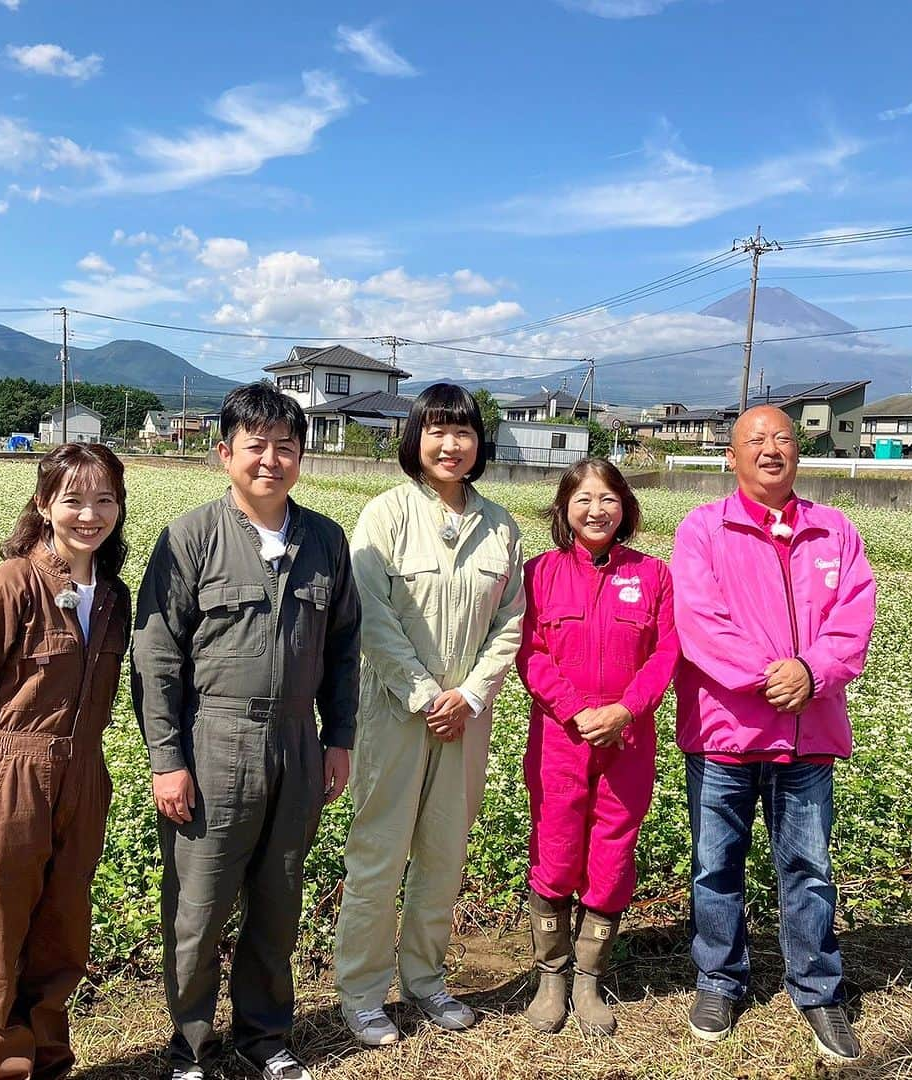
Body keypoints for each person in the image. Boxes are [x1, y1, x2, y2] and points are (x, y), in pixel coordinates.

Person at [131, 382, 361, 1080]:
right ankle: (190, 1047)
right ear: (224, 452)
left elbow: (345, 645)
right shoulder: (190, 537)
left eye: (285, 447)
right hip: (215, 742)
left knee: (278, 898)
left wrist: (339, 737)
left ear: (302, 457)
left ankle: (266, 1037)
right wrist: (167, 758)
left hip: (297, 741)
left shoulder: (325, 539)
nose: (271, 460)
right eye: (255, 446)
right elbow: (156, 654)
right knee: (198, 906)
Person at [670, 406, 876, 1061]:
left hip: (807, 732)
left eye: (782, 438)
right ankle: (719, 979)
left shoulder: (834, 530)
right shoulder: (703, 529)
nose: (770, 449)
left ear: (799, 452)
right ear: (731, 457)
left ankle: (818, 991)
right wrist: (772, 676)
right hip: (724, 733)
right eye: (755, 440)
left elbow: (854, 616)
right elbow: (699, 623)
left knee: (810, 871)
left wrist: (812, 672)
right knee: (714, 869)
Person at [0, 443, 132, 1080]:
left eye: (104, 500)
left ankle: (49, 1059)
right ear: (45, 505)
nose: (89, 514)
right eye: (73, 499)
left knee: (63, 928)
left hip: (82, 773)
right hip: (10, 771)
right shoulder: (12, 583)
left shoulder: (115, 596)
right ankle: (1, 1066)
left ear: (120, 508)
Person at [333, 383, 525, 1046]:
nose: (451, 444)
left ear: (480, 442)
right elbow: (371, 615)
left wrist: (469, 696)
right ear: (413, 438)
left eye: (464, 430)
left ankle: (424, 979)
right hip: (395, 714)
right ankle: (361, 992)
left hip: (466, 720)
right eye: (438, 430)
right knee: (378, 857)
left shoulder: (501, 524)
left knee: (444, 855)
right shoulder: (384, 514)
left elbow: (511, 621)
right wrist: (422, 693)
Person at [516, 458, 677, 1035]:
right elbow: (529, 652)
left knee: (612, 854)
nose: (596, 510)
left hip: (628, 739)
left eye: (608, 498)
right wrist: (576, 710)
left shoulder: (654, 575)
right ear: (564, 509)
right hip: (561, 737)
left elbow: (666, 652)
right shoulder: (540, 573)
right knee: (556, 851)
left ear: (625, 507)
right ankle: (551, 976)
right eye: (583, 498)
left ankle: (588, 977)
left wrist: (626, 709)